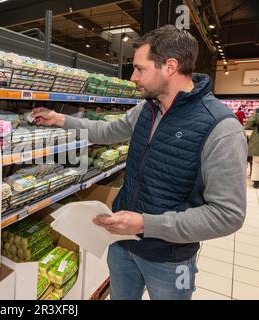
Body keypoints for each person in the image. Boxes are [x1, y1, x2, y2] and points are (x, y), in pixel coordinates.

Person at [33, 25, 247, 300]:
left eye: (140, 69)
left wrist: (146, 224)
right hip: (122, 244)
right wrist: (61, 119)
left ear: (170, 66)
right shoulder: (147, 108)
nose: (133, 77)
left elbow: (227, 215)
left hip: (170, 259)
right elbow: (108, 132)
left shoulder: (220, 127)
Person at [246, 108, 259, 188]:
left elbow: (248, 123)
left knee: (257, 162)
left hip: (257, 140)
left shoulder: (257, 113)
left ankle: (256, 182)